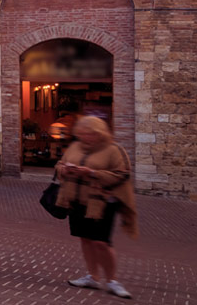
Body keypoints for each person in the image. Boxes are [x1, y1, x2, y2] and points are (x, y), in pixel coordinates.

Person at [59, 116, 138, 299]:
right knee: (85, 239)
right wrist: (65, 170)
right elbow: (59, 166)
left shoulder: (113, 150)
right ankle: (92, 277)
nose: (87, 137)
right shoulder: (75, 147)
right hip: (78, 201)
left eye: (91, 134)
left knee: (101, 242)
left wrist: (92, 173)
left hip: (102, 203)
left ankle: (112, 280)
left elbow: (122, 175)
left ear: (100, 134)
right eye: (83, 134)